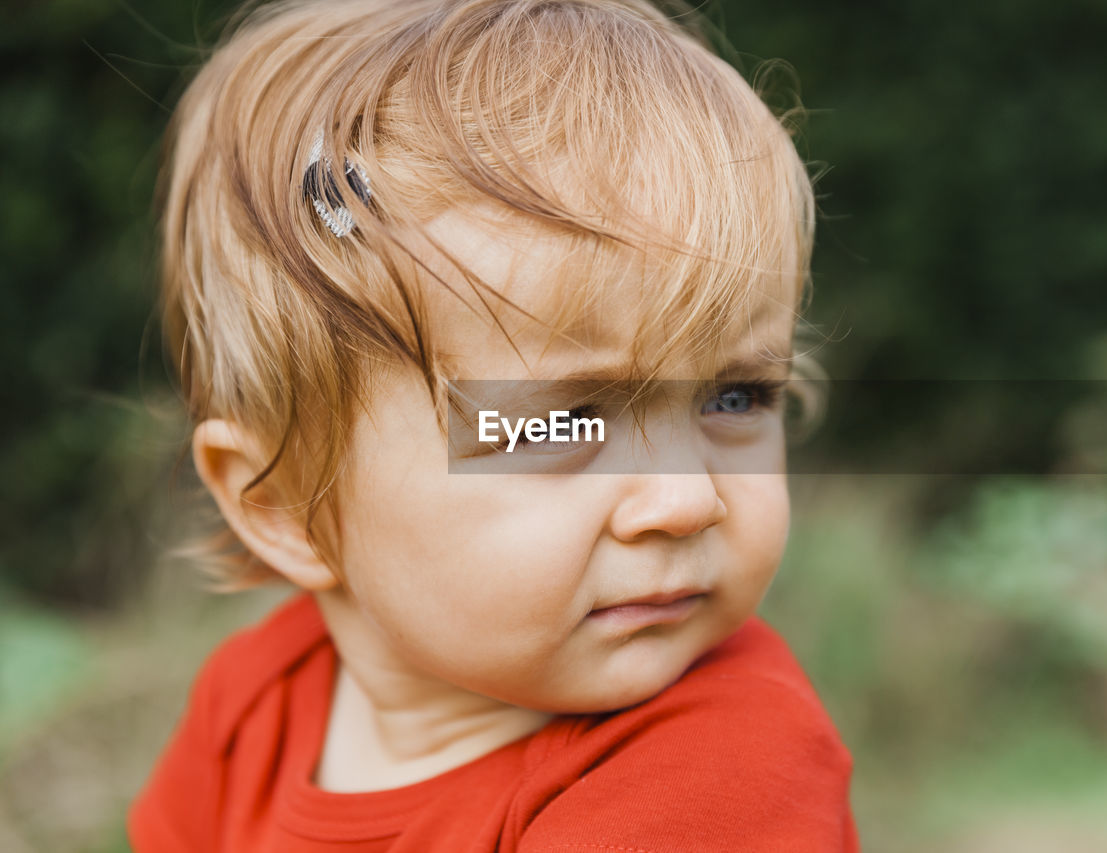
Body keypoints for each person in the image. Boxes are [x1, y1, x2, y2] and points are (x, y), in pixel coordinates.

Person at [128, 0, 858, 849]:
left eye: (734, 397)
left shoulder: (721, 774)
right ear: (285, 498)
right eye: (566, 419)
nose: (689, 500)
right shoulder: (252, 705)